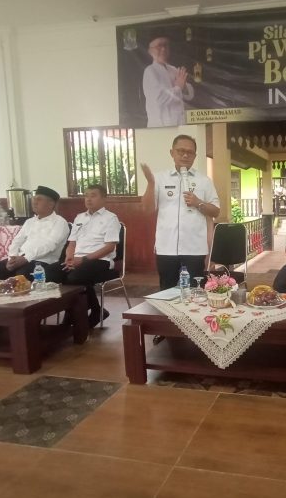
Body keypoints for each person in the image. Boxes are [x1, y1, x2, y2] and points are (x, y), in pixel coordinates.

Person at [140, 134, 220, 290]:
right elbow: (147, 209)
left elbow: (216, 211)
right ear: (172, 153)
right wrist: (150, 183)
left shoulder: (204, 181)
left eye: (190, 152)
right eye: (181, 151)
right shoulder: (159, 179)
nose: (185, 155)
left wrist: (198, 203)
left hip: (195, 248)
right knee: (167, 291)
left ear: (195, 156)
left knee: (195, 291)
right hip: (166, 247)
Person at [60, 184, 122, 327]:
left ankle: (73, 314)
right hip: (77, 259)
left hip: (100, 260)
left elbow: (110, 247)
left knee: (75, 277)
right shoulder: (79, 217)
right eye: (86, 195)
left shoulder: (111, 218)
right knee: (52, 273)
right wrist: (69, 257)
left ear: (104, 199)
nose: (88, 199)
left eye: (93, 195)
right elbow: (72, 243)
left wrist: (83, 259)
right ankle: (94, 310)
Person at [0, 186, 68, 283]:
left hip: (43, 261)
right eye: (34, 199)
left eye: (39, 199)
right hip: (20, 258)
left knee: (21, 276)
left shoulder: (60, 222)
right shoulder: (30, 222)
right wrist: (11, 258)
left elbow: (50, 245)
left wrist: (26, 258)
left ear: (51, 204)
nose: (34, 202)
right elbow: (17, 241)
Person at [143, 36, 194, 127]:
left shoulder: (173, 69)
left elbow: (190, 95)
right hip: (161, 127)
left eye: (165, 45)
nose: (163, 49)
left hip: (180, 124)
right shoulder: (150, 71)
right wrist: (178, 87)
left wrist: (184, 87)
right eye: (159, 46)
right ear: (150, 51)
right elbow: (159, 99)